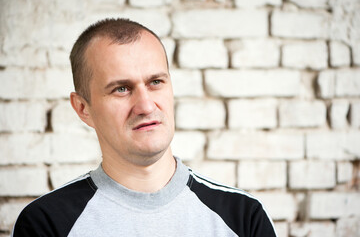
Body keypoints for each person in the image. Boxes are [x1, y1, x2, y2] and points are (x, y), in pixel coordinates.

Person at [12, 18, 277, 237]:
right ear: (83, 108)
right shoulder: (46, 224)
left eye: (155, 82)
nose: (146, 106)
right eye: (121, 89)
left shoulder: (243, 216)